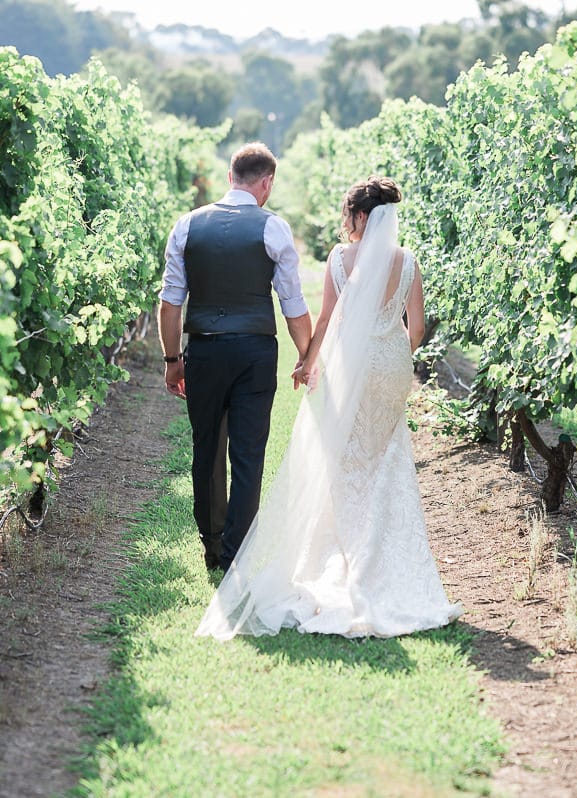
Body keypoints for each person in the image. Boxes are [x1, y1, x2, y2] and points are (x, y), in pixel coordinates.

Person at [196, 176, 462, 640]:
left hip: (348, 368)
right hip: (392, 366)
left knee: (343, 462)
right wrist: (391, 355)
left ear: (360, 216)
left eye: (348, 214)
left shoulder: (340, 259)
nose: (346, 223)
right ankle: (380, 565)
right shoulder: (409, 262)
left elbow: (325, 320)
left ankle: (347, 560)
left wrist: (307, 362)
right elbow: (416, 329)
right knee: (386, 460)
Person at [159, 142, 312, 572]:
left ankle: (211, 544)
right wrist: (306, 355)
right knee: (248, 452)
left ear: (230, 177)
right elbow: (293, 303)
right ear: (266, 183)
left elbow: (171, 302)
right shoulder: (273, 228)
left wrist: (173, 360)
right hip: (254, 353)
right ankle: (237, 551)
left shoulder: (187, 225)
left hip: (204, 350)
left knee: (206, 448)